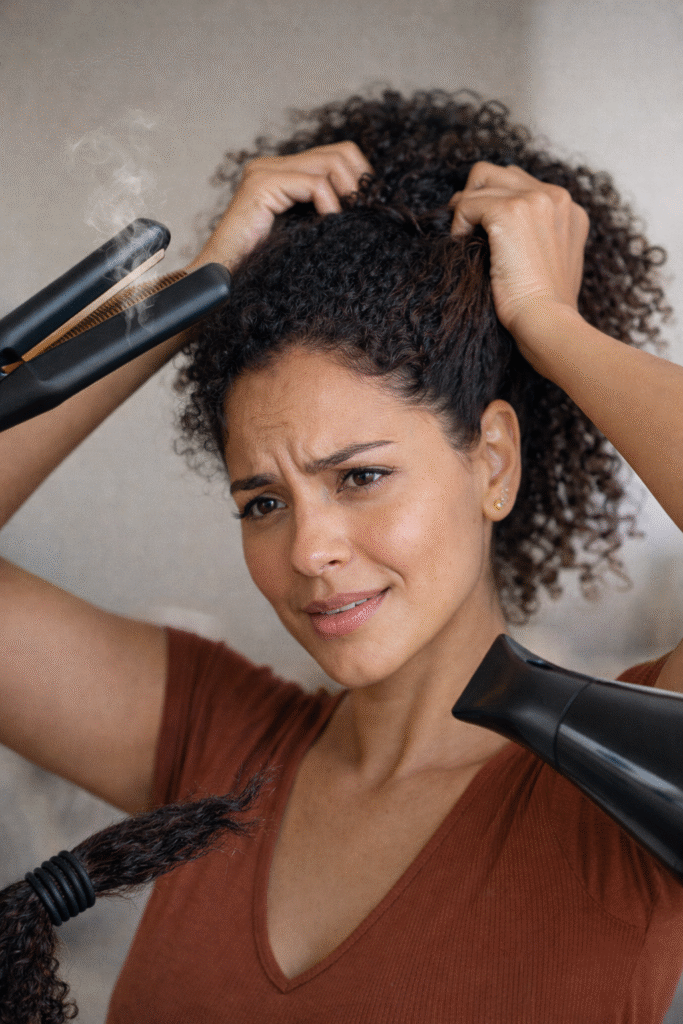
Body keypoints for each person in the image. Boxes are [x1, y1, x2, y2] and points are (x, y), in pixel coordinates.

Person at [1, 87, 682, 1023]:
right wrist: (198, 290)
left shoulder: (625, 784)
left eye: (359, 477)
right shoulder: (215, 747)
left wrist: (549, 325)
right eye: (264, 501)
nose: (309, 550)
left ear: (492, 462)